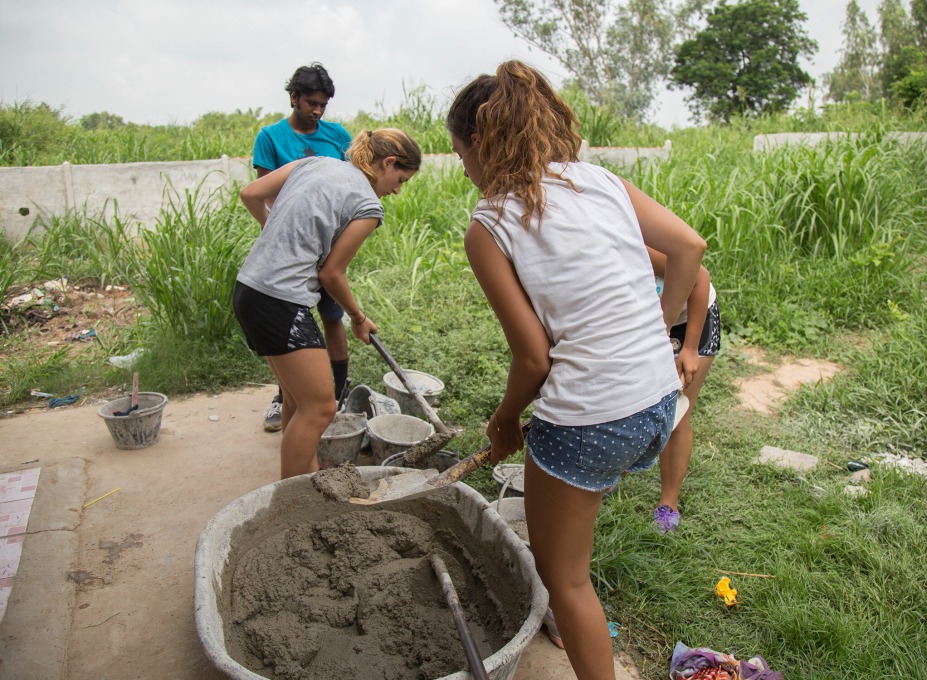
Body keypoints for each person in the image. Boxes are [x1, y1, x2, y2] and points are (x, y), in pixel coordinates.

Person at [447, 61, 705, 680]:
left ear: (483, 143)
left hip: (594, 420)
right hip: (659, 405)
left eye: (460, 154)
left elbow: (534, 360)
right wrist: (655, 327)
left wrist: (505, 420)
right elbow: (689, 247)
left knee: (565, 580)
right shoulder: (601, 181)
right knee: (578, 522)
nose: (461, 170)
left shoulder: (489, 224)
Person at [234, 128, 421, 479]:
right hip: (280, 299)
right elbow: (331, 274)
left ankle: (308, 478)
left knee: (297, 402)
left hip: (249, 289)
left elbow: (250, 193)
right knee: (320, 409)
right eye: (401, 179)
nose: (397, 189)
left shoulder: (313, 163)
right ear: (389, 162)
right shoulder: (368, 204)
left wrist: (272, 228)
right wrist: (358, 317)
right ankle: (291, 505)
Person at [252, 62, 354, 432]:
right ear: (293, 97)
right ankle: (286, 398)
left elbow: (349, 186)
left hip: (327, 245)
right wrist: (272, 232)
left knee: (332, 316)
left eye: (323, 104)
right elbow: (266, 196)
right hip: (290, 252)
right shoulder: (271, 138)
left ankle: (339, 394)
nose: (317, 110)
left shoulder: (338, 135)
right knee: (290, 328)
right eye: (311, 102)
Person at [646, 249, 720, 533]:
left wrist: (689, 348)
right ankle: (610, 477)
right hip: (650, 323)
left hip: (690, 322)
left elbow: (699, 277)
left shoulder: (636, 235)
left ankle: (668, 504)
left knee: (676, 411)